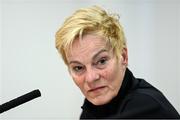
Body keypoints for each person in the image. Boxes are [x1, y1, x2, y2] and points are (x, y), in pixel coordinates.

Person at [55, 6, 180, 119]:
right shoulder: (93, 107)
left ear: (123, 57)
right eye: (78, 68)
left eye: (101, 61)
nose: (91, 78)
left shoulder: (147, 107)